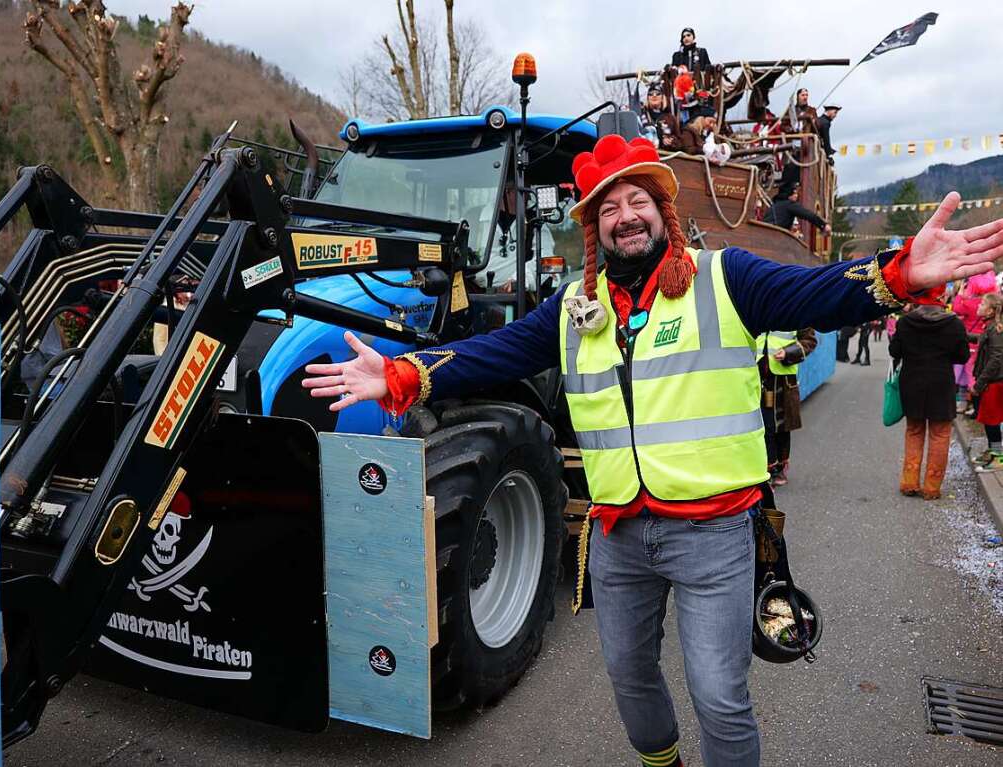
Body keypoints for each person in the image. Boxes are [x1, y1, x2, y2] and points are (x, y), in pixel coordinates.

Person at [302, 133, 1003, 767]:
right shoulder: (575, 311)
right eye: (608, 207)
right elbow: (491, 351)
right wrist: (402, 371)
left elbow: (817, 292)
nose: (624, 214)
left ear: (662, 215)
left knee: (720, 698)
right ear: (594, 226)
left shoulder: (725, 278)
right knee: (631, 684)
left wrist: (900, 270)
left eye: (637, 199)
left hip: (713, 536)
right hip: (616, 536)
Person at [889, 302, 970, 499]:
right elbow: (962, 356)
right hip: (941, 383)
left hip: (912, 383)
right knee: (940, 434)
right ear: (941, 299)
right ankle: (932, 488)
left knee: (914, 430)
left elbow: (895, 351)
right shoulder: (954, 324)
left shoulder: (906, 322)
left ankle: (910, 482)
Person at [757, 328, 816, 486]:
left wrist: (788, 352)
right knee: (762, 426)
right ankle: (765, 467)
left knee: (781, 427)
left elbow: (809, 341)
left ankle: (778, 468)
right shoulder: (758, 306)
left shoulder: (795, 309)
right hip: (756, 376)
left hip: (782, 379)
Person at [950, 272, 998, 415]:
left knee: (967, 376)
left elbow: (956, 308)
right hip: (984, 345)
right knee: (977, 374)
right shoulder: (990, 302)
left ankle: (970, 405)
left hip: (969, 345)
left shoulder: (970, 302)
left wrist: (960, 292)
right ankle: (973, 406)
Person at [971, 293, 1003, 471]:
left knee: (992, 420)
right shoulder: (990, 327)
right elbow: (982, 341)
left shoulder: (996, 329)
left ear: (990, 311)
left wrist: (979, 383)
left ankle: (998, 458)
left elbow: (996, 359)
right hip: (990, 381)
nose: (978, 305)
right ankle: (993, 452)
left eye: (982, 303)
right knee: (989, 419)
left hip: (994, 382)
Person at [763, 182, 832, 235]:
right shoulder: (789, 204)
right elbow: (807, 214)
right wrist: (823, 225)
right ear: (789, 195)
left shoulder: (774, 205)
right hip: (776, 235)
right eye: (794, 193)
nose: (796, 195)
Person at [639, 82, 680, 150]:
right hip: (645, 152)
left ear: (662, 98)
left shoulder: (670, 118)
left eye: (658, 93)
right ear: (647, 98)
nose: (654, 96)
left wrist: (672, 141)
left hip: (665, 156)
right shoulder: (641, 115)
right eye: (650, 94)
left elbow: (680, 140)